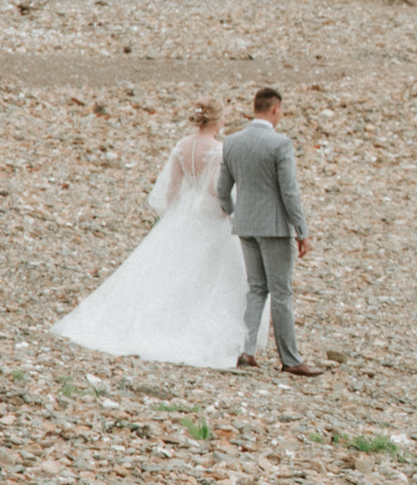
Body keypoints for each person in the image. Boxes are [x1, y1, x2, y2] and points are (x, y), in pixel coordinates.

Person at [52, 101, 250, 368]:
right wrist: (231, 211)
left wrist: (173, 215)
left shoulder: (182, 145)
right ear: (215, 121)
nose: (225, 122)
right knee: (209, 272)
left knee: (167, 269)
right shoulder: (218, 149)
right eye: (223, 118)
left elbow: (172, 188)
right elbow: (216, 190)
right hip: (208, 216)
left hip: (183, 214)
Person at [219, 85, 315, 376]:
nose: (282, 115)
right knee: (281, 292)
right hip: (274, 227)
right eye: (282, 110)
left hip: (245, 225)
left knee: (257, 289)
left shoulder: (232, 142)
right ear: (274, 109)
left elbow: (222, 191)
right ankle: (290, 359)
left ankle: (246, 351)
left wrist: (238, 214)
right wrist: (302, 229)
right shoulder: (280, 144)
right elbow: (289, 192)